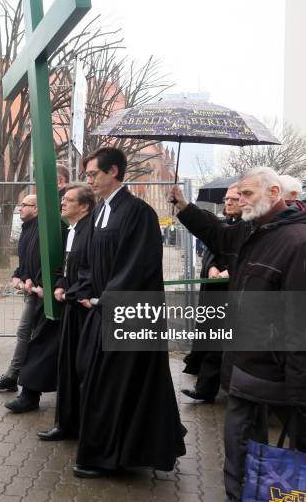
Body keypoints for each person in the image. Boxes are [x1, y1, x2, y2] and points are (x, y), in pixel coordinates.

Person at [169, 167, 306, 501]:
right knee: (242, 447)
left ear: (274, 193)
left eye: (247, 195)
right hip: (246, 365)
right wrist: (185, 207)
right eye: (239, 195)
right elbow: (216, 233)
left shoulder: (299, 242)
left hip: (277, 372)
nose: (240, 201)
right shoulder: (252, 231)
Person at [72, 147, 186, 479]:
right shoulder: (97, 214)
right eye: (88, 175)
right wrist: (84, 291)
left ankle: (108, 457)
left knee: (118, 384)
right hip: (104, 308)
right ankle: (133, 445)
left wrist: (105, 300)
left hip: (129, 313)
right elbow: (91, 263)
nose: (89, 180)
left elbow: (138, 266)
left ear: (114, 172)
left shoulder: (138, 213)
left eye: (93, 174)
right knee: (98, 375)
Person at [37, 183, 95, 441]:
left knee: (79, 368)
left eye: (69, 200)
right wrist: (61, 284)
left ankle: (76, 425)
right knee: (67, 367)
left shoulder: (91, 231)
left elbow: (90, 271)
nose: (62, 204)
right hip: (71, 305)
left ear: (84, 206)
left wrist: (72, 292)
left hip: (83, 310)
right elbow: (70, 267)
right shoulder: (72, 230)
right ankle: (66, 423)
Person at [181, 185, 242, 402]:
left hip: (237, 297)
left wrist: (231, 271)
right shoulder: (224, 225)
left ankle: (236, 390)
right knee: (213, 342)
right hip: (217, 294)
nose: (229, 202)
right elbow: (212, 250)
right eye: (227, 199)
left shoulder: (250, 228)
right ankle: (205, 389)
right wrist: (212, 267)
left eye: (234, 199)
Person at [0, 195, 41, 395]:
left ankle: (14, 376)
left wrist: (27, 279)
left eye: (24, 205)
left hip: (37, 291)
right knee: (26, 333)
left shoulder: (39, 230)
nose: (19, 208)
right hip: (30, 288)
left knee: (25, 333)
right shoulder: (28, 230)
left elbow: (38, 261)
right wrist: (17, 275)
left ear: (36, 209)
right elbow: (25, 261)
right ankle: (16, 376)